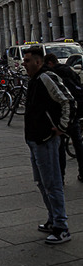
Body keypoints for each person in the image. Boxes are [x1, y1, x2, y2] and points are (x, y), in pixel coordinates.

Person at [23, 46, 72, 245]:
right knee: (43, 183)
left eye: (27, 61)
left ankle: (62, 227)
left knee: (52, 184)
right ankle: (53, 219)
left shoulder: (46, 78)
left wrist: (61, 127)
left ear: (38, 61)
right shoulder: (33, 80)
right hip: (35, 140)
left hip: (46, 140)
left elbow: (67, 100)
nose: (24, 64)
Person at [44, 53, 83, 183]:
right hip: (76, 112)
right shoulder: (70, 71)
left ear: (50, 63)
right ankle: (82, 172)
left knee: (59, 147)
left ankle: (61, 176)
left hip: (61, 115)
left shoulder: (54, 74)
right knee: (78, 145)